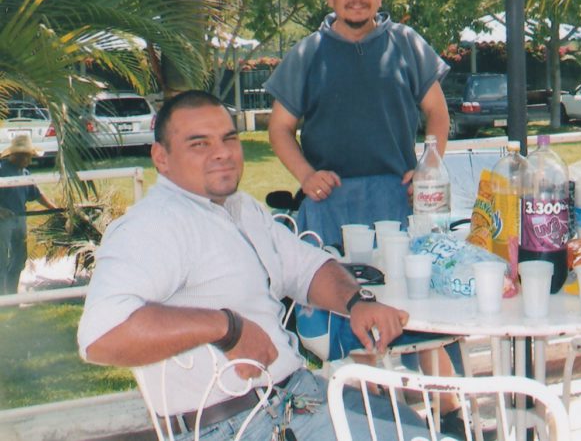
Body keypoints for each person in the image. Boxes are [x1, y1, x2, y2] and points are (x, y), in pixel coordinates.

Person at [77, 91, 429, 441]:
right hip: (236, 426)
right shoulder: (154, 225)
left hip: (296, 398)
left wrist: (356, 302)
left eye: (229, 139)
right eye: (199, 144)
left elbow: (307, 269)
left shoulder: (240, 208)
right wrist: (226, 328)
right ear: (161, 158)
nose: (222, 153)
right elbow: (101, 335)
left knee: (412, 426)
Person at [265, 0, 450, 247]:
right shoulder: (306, 53)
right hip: (328, 203)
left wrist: (427, 173)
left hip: (398, 199)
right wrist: (307, 176)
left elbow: (437, 112)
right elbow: (279, 128)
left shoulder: (407, 43)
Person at [0, 134, 58, 294]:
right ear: (16, 155)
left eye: (30, 156)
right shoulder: (2, 170)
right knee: (1, 259)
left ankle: (12, 294)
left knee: (19, 259)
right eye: (27, 156)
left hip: (20, 220)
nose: (29, 160)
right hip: (3, 223)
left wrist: (55, 209)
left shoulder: (25, 174)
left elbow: (37, 194)